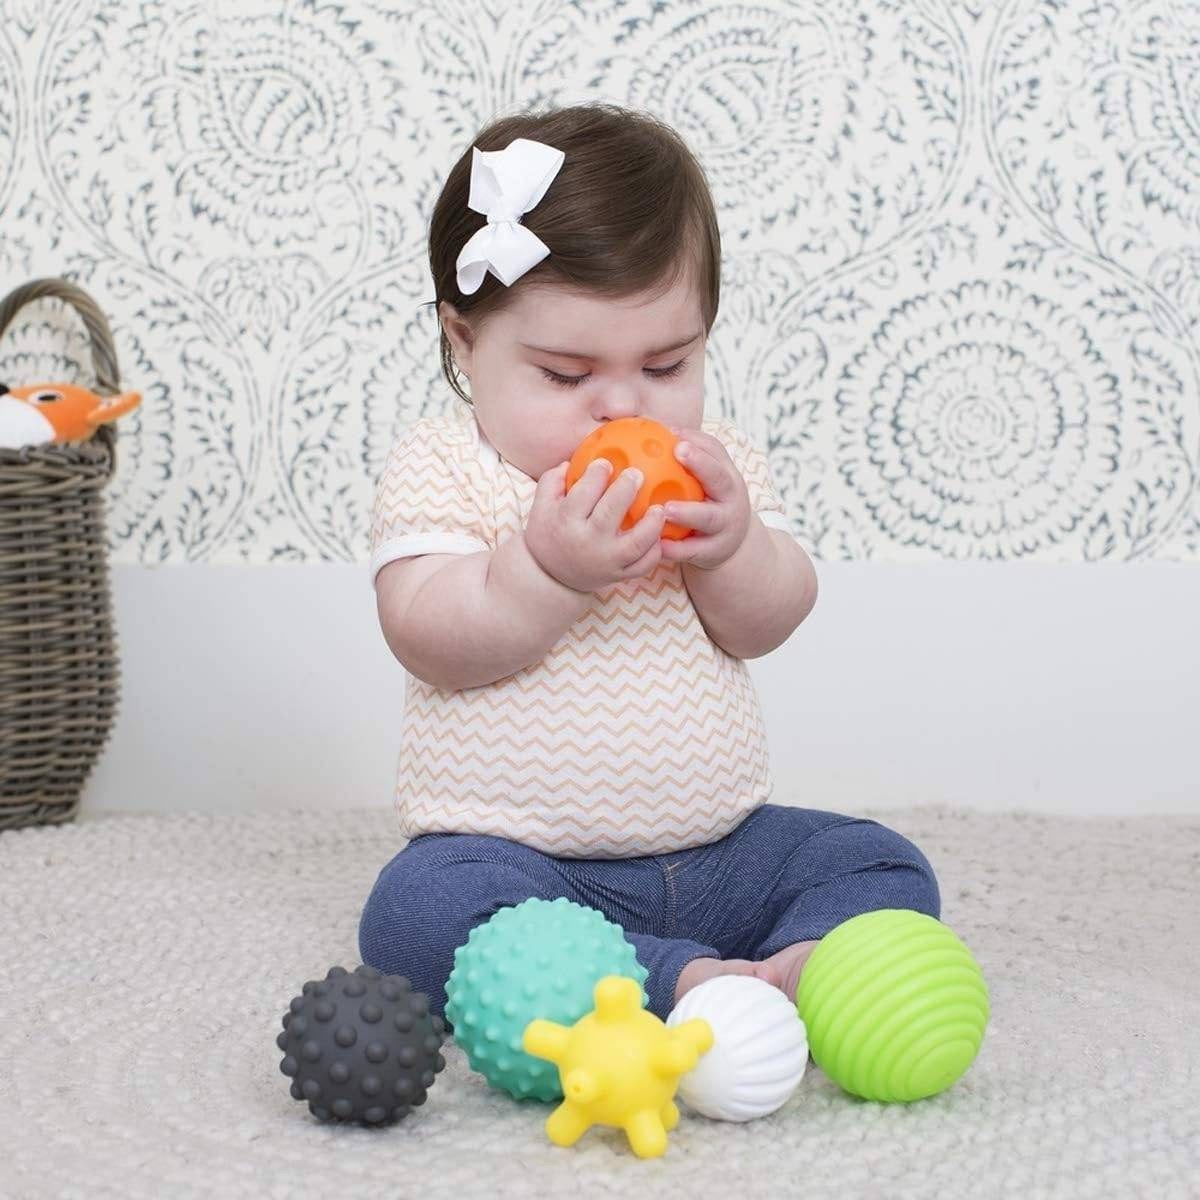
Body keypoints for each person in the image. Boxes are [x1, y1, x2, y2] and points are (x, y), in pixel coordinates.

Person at [359, 102, 939, 1024]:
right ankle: (676, 980)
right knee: (416, 916)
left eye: (666, 366)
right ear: (465, 340)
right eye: (565, 374)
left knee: (876, 862)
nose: (624, 407)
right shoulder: (446, 467)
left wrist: (734, 550)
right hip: (520, 865)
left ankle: (799, 962)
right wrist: (545, 570)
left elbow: (768, 621)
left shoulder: (715, 469)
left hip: (722, 854)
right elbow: (425, 633)